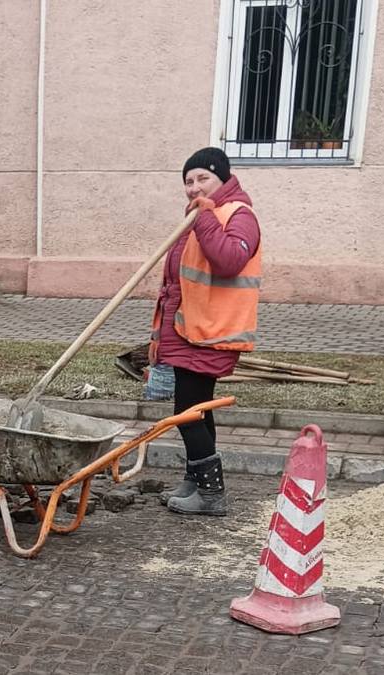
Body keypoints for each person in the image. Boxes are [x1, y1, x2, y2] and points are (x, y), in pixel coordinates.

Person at [151, 147, 261, 516]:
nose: (194, 187)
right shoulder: (204, 214)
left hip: (212, 330)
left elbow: (229, 260)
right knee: (197, 410)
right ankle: (195, 482)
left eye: (203, 178)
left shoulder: (238, 215)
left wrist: (205, 217)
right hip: (191, 327)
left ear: (223, 179)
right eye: (188, 180)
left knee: (187, 410)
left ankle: (212, 496)